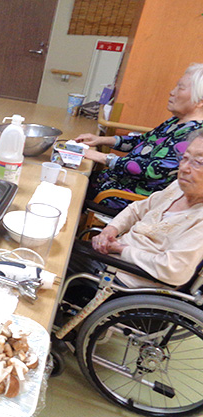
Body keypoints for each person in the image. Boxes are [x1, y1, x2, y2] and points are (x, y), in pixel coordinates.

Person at [77, 129, 203, 289]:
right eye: (185, 158)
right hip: (114, 258)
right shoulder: (178, 187)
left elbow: (174, 271)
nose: (184, 168)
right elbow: (137, 209)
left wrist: (122, 250)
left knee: (56, 262)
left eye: (198, 163)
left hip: (127, 280)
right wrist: (111, 230)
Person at [75, 63, 203, 211]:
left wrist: (102, 157)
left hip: (129, 197)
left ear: (200, 101)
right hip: (114, 180)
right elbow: (143, 141)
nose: (171, 92)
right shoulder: (176, 120)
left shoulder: (196, 136)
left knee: (74, 187)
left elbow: (154, 169)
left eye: (180, 88)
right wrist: (101, 140)